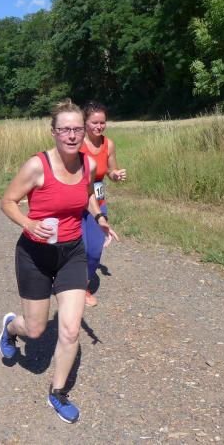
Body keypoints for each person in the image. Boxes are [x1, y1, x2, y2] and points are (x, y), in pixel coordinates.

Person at [0, 99, 118, 423]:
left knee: (70, 330)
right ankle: (10, 328)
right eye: (64, 129)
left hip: (71, 254)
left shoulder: (87, 164)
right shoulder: (37, 166)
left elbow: (89, 195)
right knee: (35, 329)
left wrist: (100, 218)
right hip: (35, 255)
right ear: (53, 132)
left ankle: (58, 392)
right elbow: (7, 201)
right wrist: (28, 223)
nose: (72, 135)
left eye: (77, 129)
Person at [79, 101, 127, 307]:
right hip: (75, 205)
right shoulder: (76, 143)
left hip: (97, 203)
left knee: (94, 251)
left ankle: (83, 284)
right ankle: (79, 287)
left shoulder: (109, 144)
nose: (99, 126)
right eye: (94, 122)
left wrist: (115, 175)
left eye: (102, 122)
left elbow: (110, 170)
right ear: (85, 122)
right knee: (78, 248)